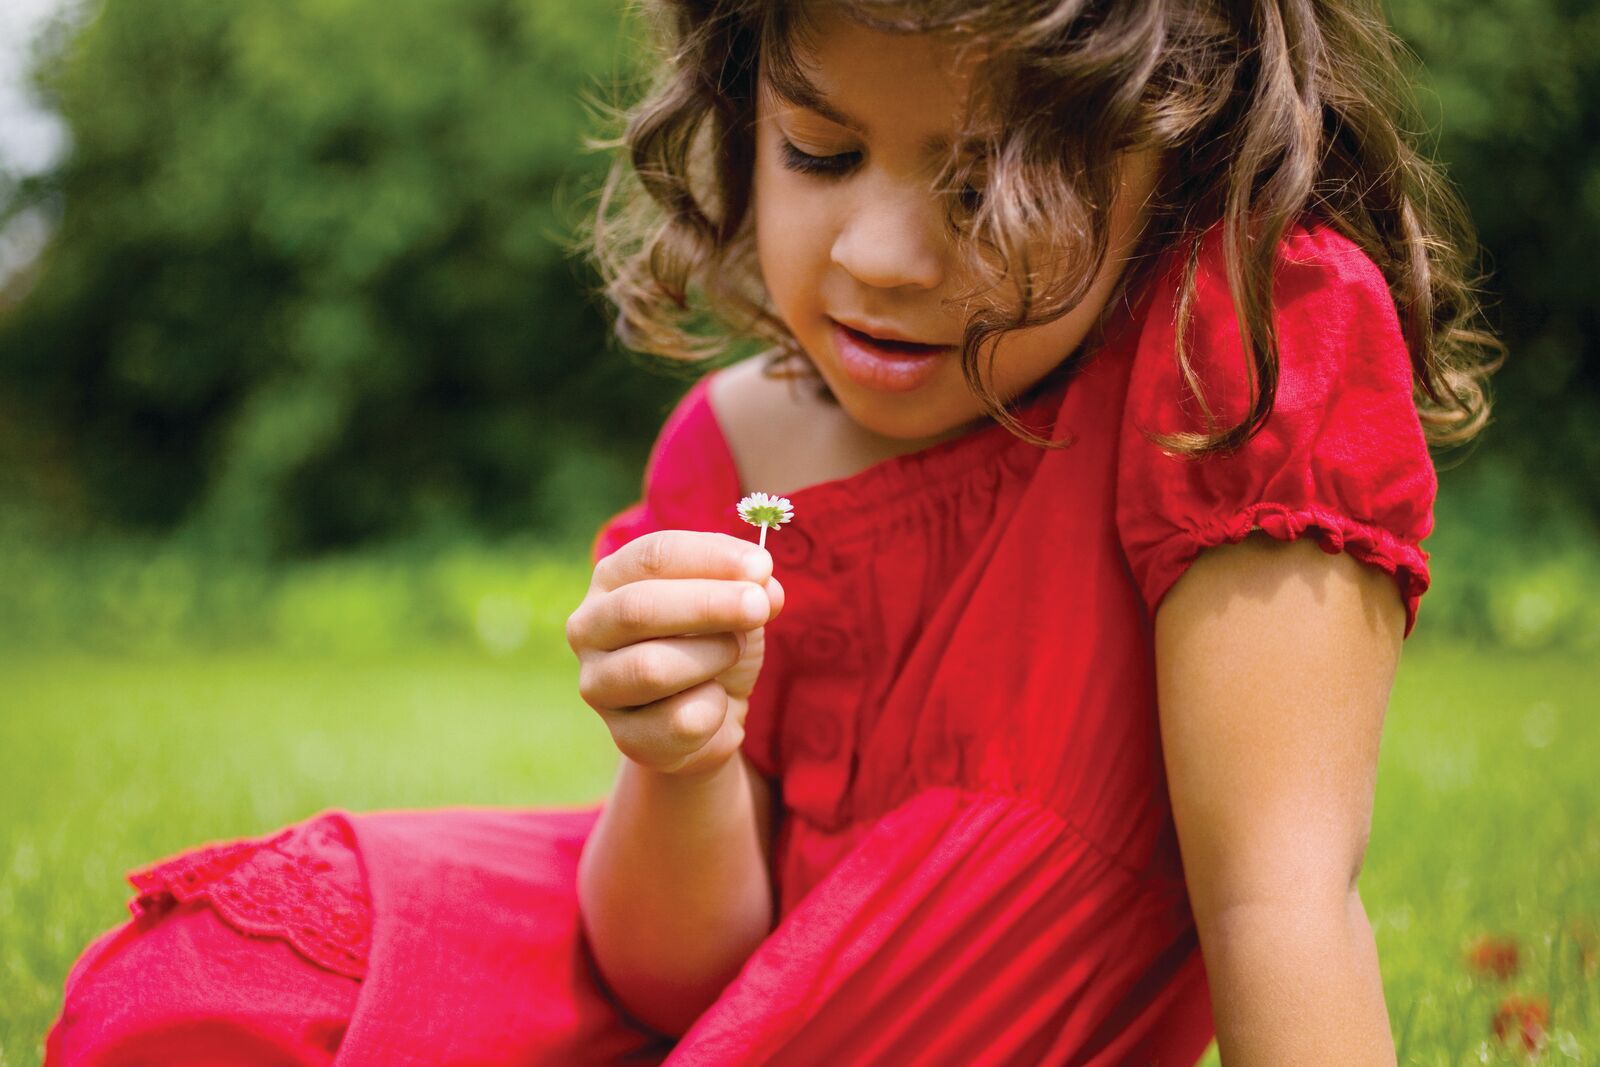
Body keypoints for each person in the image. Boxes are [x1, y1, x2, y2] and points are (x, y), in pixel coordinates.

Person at [45, 0, 1503, 1064]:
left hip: (927, 1025)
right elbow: (679, 973)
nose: (878, 254)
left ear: (1171, 148)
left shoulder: (1240, 341)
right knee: (201, 988)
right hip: (726, 989)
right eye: (818, 150)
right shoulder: (732, 443)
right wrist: (672, 763)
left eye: (984, 180)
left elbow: (1281, 902)